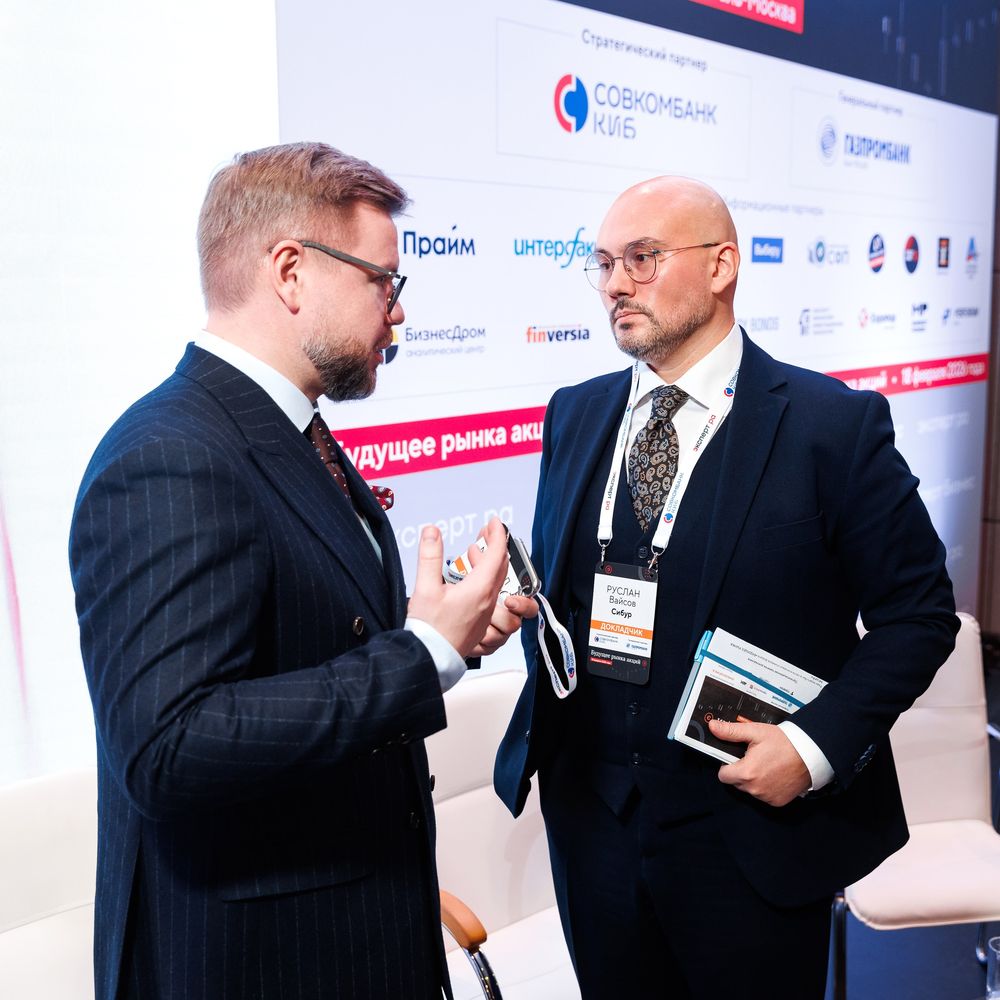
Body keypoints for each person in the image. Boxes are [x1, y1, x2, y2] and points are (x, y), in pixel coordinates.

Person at [69, 141, 534, 1000]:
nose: (399, 312)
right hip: (261, 963)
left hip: (355, 936)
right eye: (383, 282)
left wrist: (448, 634)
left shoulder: (288, 432)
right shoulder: (171, 456)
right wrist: (420, 654)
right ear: (290, 272)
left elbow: (306, 647)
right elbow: (169, 746)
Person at [494, 176, 959, 999]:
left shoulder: (831, 426)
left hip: (751, 836)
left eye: (642, 257)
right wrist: (520, 614)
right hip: (593, 828)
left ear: (721, 266)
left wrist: (813, 748)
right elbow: (576, 594)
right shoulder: (574, 413)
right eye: (603, 263)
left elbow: (918, 616)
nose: (615, 283)